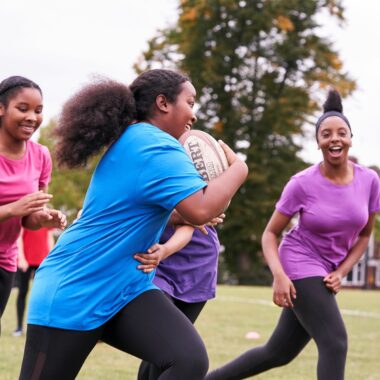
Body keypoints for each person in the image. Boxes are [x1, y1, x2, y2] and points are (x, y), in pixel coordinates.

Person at [19, 69, 248, 380]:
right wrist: (239, 169)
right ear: (163, 103)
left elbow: (133, 208)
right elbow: (201, 209)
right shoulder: (156, 145)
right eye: (190, 103)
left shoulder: (136, 138)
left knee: (187, 359)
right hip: (75, 288)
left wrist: (180, 215)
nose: (193, 116)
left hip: (124, 289)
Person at [206, 89, 380, 380]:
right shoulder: (301, 183)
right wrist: (279, 275)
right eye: (326, 134)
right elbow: (270, 234)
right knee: (335, 343)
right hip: (300, 260)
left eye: (341, 133)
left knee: (279, 353)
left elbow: (365, 234)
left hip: (328, 268)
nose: (334, 139)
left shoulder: (370, 180)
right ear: (318, 143)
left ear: (350, 138)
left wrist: (343, 271)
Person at [0, 76, 66, 335]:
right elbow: (19, 209)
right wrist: (15, 208)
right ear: (2, 107)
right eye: (23, 108)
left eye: (38, 111)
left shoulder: (40, 155)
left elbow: (30, 215)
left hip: (5, 262)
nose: (32, 117)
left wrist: (43, 218)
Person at [136, 221, 221, 380]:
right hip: (152, 258)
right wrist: (186, 214)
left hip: (197, 261)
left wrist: (196, 214)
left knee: (169, 349)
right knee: (162, 343)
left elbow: (211, 210)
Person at [13, 227, 55, 336]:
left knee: (42, 295)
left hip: (43, 261)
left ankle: (40, 328)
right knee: (22, 292)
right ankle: (19, 327)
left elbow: (49, 237)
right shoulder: (27, 213)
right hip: (26, 261)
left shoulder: (47, 213)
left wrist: (51, 258)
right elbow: (19, 237)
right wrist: (21, 258)